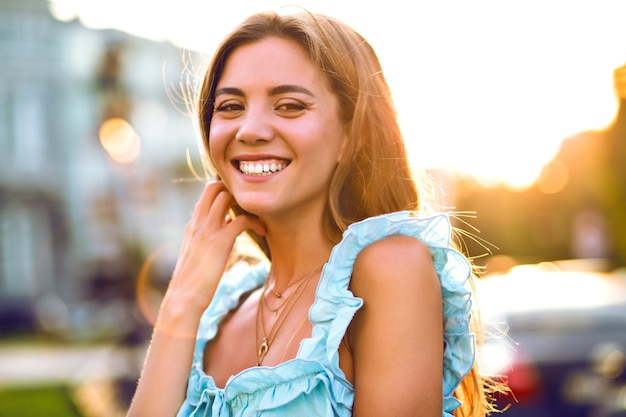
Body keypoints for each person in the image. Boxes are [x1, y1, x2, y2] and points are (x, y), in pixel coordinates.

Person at [127, 8, 502, 417]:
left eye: (288, 105)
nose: (249, 129)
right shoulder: (219, 311)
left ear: (350, 135)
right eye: (230, 106)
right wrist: (181, 302)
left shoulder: (389, 270)